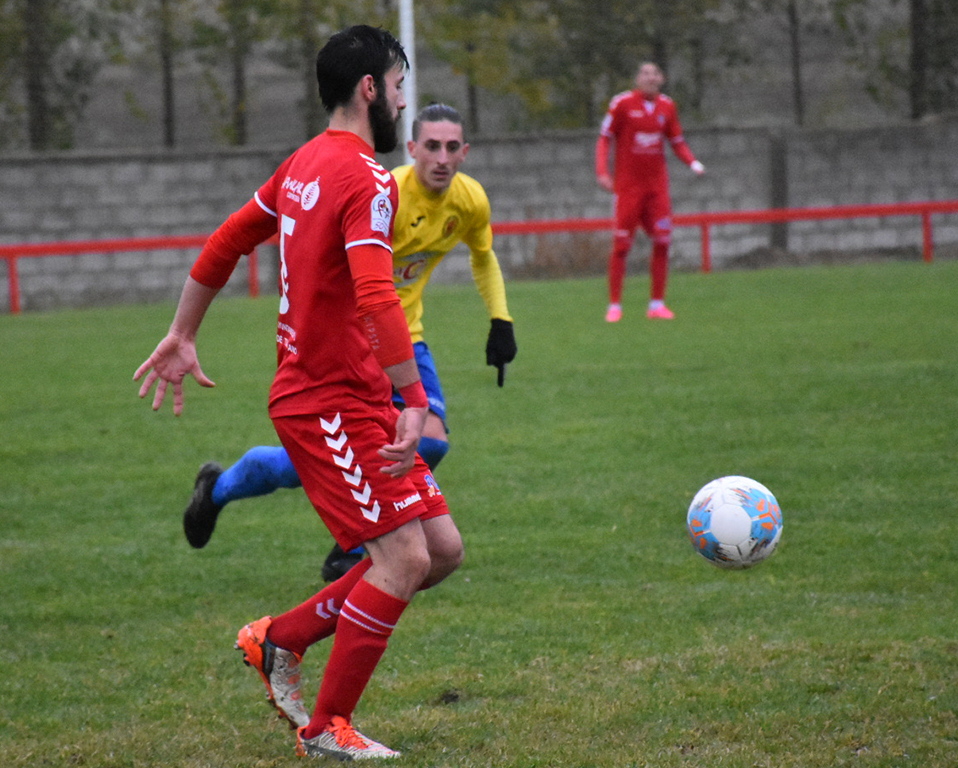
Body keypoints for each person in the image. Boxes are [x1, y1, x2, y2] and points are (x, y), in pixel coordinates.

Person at [134, 25, 465, 761]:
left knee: (441, 551)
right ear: (370, 89)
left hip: (352, 392)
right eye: (399, 87)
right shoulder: (367, 177)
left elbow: (226, 240)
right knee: (401, 561)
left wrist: (183, 332)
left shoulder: (303, 163)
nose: (403, 103)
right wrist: (414, 399)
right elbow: (377, 293)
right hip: (326, 400)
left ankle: (278, 638)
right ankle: (326, 728)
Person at [180, 102, 517, 582]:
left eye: (451, 147)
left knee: (429, 443)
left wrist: (500, 319)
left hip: (406, 340)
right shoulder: (382, 193)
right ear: (412, 148)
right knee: (307, 464)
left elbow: (483, 255)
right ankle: (220, 488)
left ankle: (359, 543)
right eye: (432, 146)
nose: (442, 158)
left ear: (465, 152)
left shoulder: (470, 200)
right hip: (349, 344)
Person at [595, 61, 705, 323]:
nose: (650, 78)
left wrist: (693, 162)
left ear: (662, 79)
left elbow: (676, 141)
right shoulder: (622, 104)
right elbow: (604, 138)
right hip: (628, 188)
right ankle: (615, 305)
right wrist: (602, 171)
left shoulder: (667, 106)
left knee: (663, 241)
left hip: (657, 189)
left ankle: (657, 305)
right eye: (645, 73)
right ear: (637, 79)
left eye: (655, 73)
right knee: (622, 245)